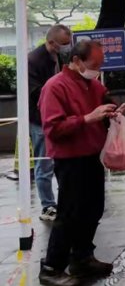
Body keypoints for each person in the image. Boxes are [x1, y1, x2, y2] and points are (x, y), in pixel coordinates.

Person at [38, 40, 125, 286]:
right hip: (70, 158)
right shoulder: (55, 86)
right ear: (77, 61)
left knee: (93, 208)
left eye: (100, 65)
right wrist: (87, 118)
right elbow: (53, 128)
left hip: (93, 155)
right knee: (70, 213)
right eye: (94, 65)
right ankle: (52, 267)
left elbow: (102, 113)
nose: (97, 70)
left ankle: (82, 257)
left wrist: (112, 115)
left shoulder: (94, 85)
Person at [29, 24, 73, 222]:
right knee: (44, 163)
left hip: (59, 116)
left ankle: (63, 202)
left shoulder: (60, 56)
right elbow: (34, 91)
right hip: (40, 119)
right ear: (51, 42)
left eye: (69, 43)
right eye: (64, 43)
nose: (67, 47)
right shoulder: (34, 60)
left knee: (60, 161)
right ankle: (47, 206)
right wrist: (58, 91)